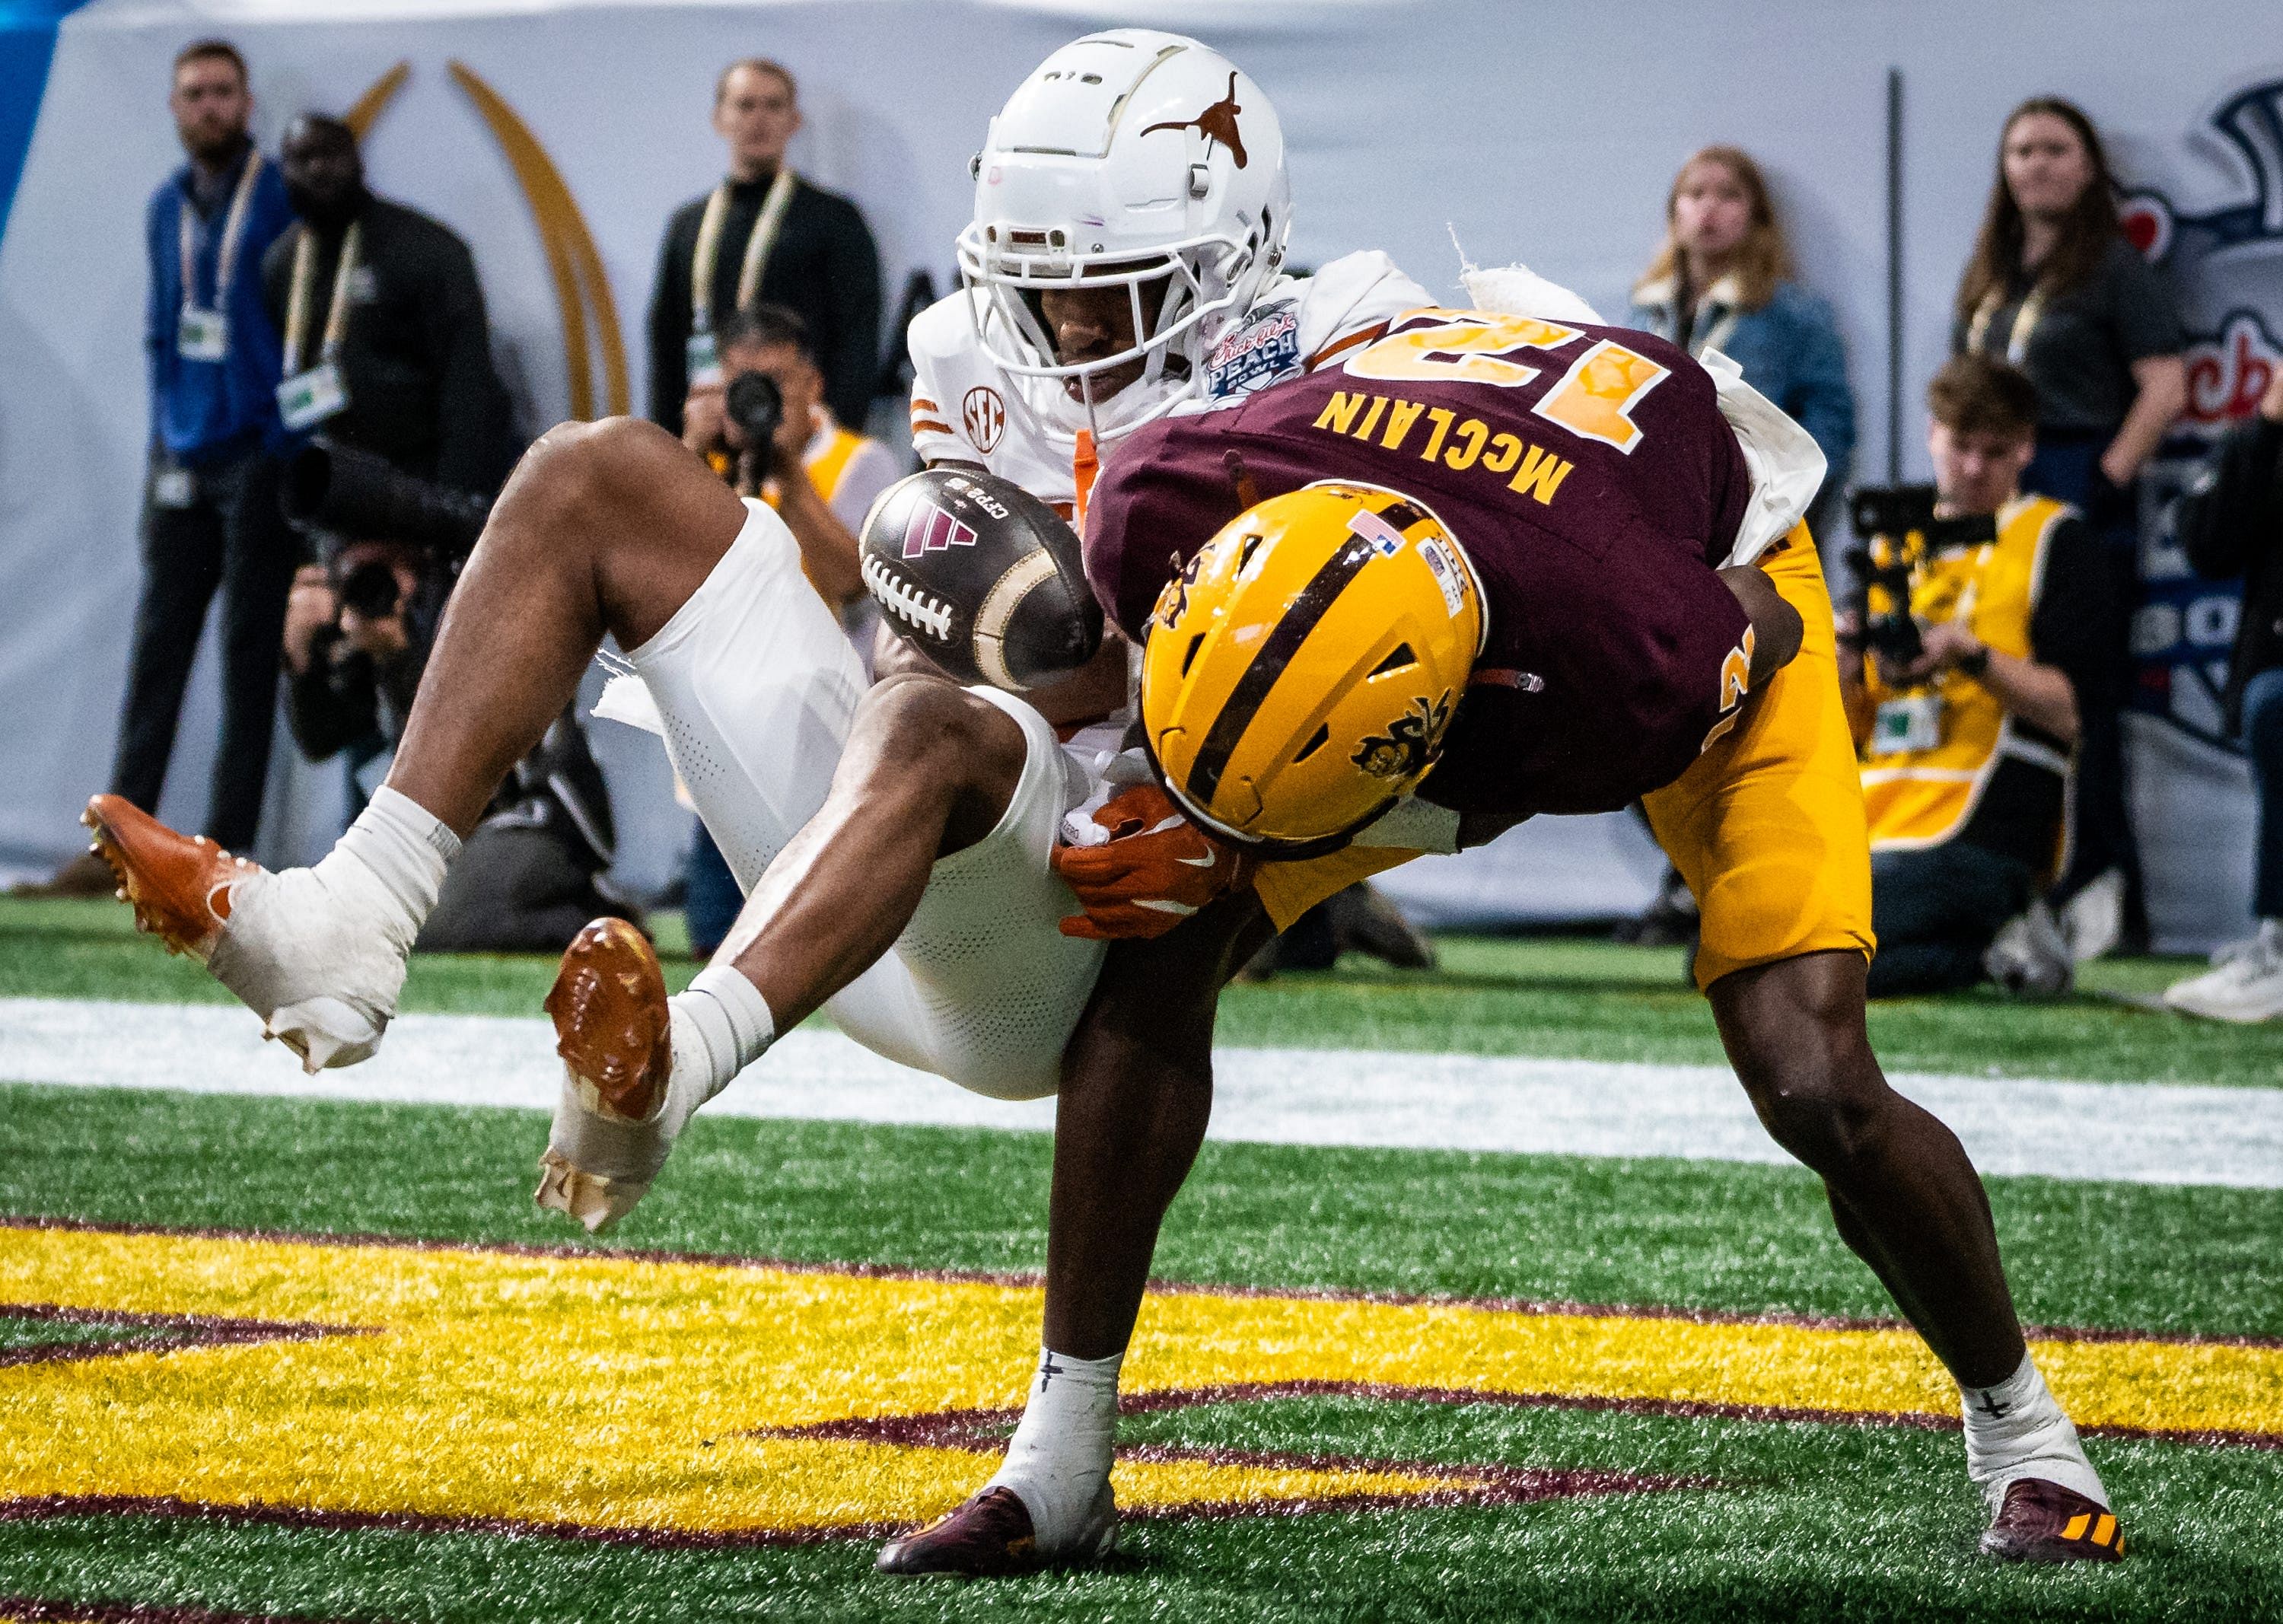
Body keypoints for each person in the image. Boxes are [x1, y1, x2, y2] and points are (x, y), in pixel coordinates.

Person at [909, 298, 2117, 1571]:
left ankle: (2029, 1433)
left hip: (1720, 569)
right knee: (1164, 946)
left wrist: (1265, 832)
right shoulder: (1167, 490)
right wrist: (1180, 782)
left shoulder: (1622, 648)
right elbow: (1177, 662)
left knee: (1813, 1075)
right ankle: (1060, 1455)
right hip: (1444, 496)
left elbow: (1690, 665)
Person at [36, 40, 300, 895]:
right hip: (181, 459)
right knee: (157, 657)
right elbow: (162, 331)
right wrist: (161, 450)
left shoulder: (281, 199)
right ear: (174, 107)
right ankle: (122, 842)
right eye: (195, 94)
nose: (210, 107)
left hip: (256, 455)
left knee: (247, 659)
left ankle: (219, 855)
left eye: (223, 92)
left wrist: (279, 445)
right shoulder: (164, 206)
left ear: (247, 102)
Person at [1953, 97, 2186, 957]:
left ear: (2088, 166)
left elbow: (2168, 386)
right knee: (1987, 686)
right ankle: (2001, 886)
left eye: (2055, 148)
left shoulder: (2115, 268)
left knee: (2081, 702)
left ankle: (2107, 890)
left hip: (2075, 491)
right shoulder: (1992, 269)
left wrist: (2102, 479)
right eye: (2020, 150)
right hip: (1992, 497)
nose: (2036, 164)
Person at [1839, 355, 2111, 997]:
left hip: (1989, 822)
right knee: (1730, 951)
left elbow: (2073, 712)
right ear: (1932, 433)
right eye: (1960, 446)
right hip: (1876, 819)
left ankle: (2002, 927)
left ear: (2027, 449)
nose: (1972, 468)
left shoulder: (2054, 540)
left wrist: (1973, 656)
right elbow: (1851, 726)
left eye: (1995, 452)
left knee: (1828, 955)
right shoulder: (1891, 546)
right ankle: (1995, 950)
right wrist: (1845, 663)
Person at [676, 302, 902, 954]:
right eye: (742, 384)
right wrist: (689, 455)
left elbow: (853, 587)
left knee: (828, 954)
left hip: (833, 756)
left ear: (813, 385)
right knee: (714, 944)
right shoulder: (704, 468)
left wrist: (789, 479)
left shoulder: (864, 464)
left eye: (773, 381)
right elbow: (666, 578)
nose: (758, 400)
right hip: (729, 753)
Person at [261, 114, 518, 499]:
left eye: (330, 154)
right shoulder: (281, 263)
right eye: (302, 158)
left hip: (425, 474)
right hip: (339, 481)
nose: (317, 168)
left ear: (359, 161)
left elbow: (468, 387)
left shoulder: (427, 249)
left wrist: (451, 501)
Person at [647, 59, 881, 438]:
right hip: (708, 437)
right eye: (745, 105)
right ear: (719, 118)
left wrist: (836, 438)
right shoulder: (687, 226)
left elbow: (857, 341)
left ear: (795, 121)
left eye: (774, 106)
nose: (759, 119)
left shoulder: (835, 221)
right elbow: (666, 343)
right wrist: (670, 442)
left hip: (803, 437)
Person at [1630, 145, 1855, 530]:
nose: (1709, 208)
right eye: (1695, 193)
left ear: (1757, 216)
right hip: (1655, 517)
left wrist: (1779, 511)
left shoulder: (1794, 314)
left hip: (1751, 520)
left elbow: (1829, 428)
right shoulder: (1645, 309)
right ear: (1674, 212)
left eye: (1729, 195)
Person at [2162, 362, 2283, 1021]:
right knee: (2274, 702)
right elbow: (2207, 543)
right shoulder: (2270, 439)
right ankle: (2280, 943)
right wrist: (2266, 426)